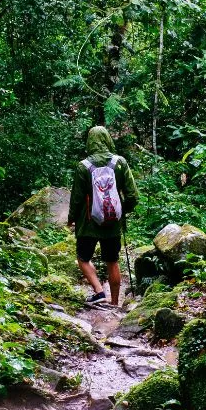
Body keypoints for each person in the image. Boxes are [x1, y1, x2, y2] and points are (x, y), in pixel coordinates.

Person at [67, 126, 139, 306]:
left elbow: (76, 198)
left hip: (88, 223)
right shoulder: (120, 162)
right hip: (113, 223)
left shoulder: (83, 166)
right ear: (108, 140)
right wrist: (122, 212)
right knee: (112, 261)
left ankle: (99, 292)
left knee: (83, 258)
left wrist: (71, 218)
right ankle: (114, 304)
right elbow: (132, 195)